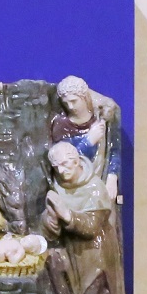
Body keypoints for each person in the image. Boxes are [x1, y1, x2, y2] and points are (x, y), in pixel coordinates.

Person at [42, 141, 126, 294]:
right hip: (71, 251)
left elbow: (91, 228)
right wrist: (50, 220)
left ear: (76, 161)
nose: (62, 171)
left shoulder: (95, 188)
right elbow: (51, 232)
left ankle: (110, 293)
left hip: (95, 255)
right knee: (53, 259)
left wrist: (67, 215)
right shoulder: (58, 187)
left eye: (65, 164)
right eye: (57, 167)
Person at [50, 75, 120, 203]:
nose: (70, 107)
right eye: (66, 103)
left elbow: (114, 150)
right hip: (73, 189)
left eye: (74, 101)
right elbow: (62, 159)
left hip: (100, 181)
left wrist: (112, 176)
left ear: (85, 97)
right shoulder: (61, 125)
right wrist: (88, 141)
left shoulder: (102, 119)